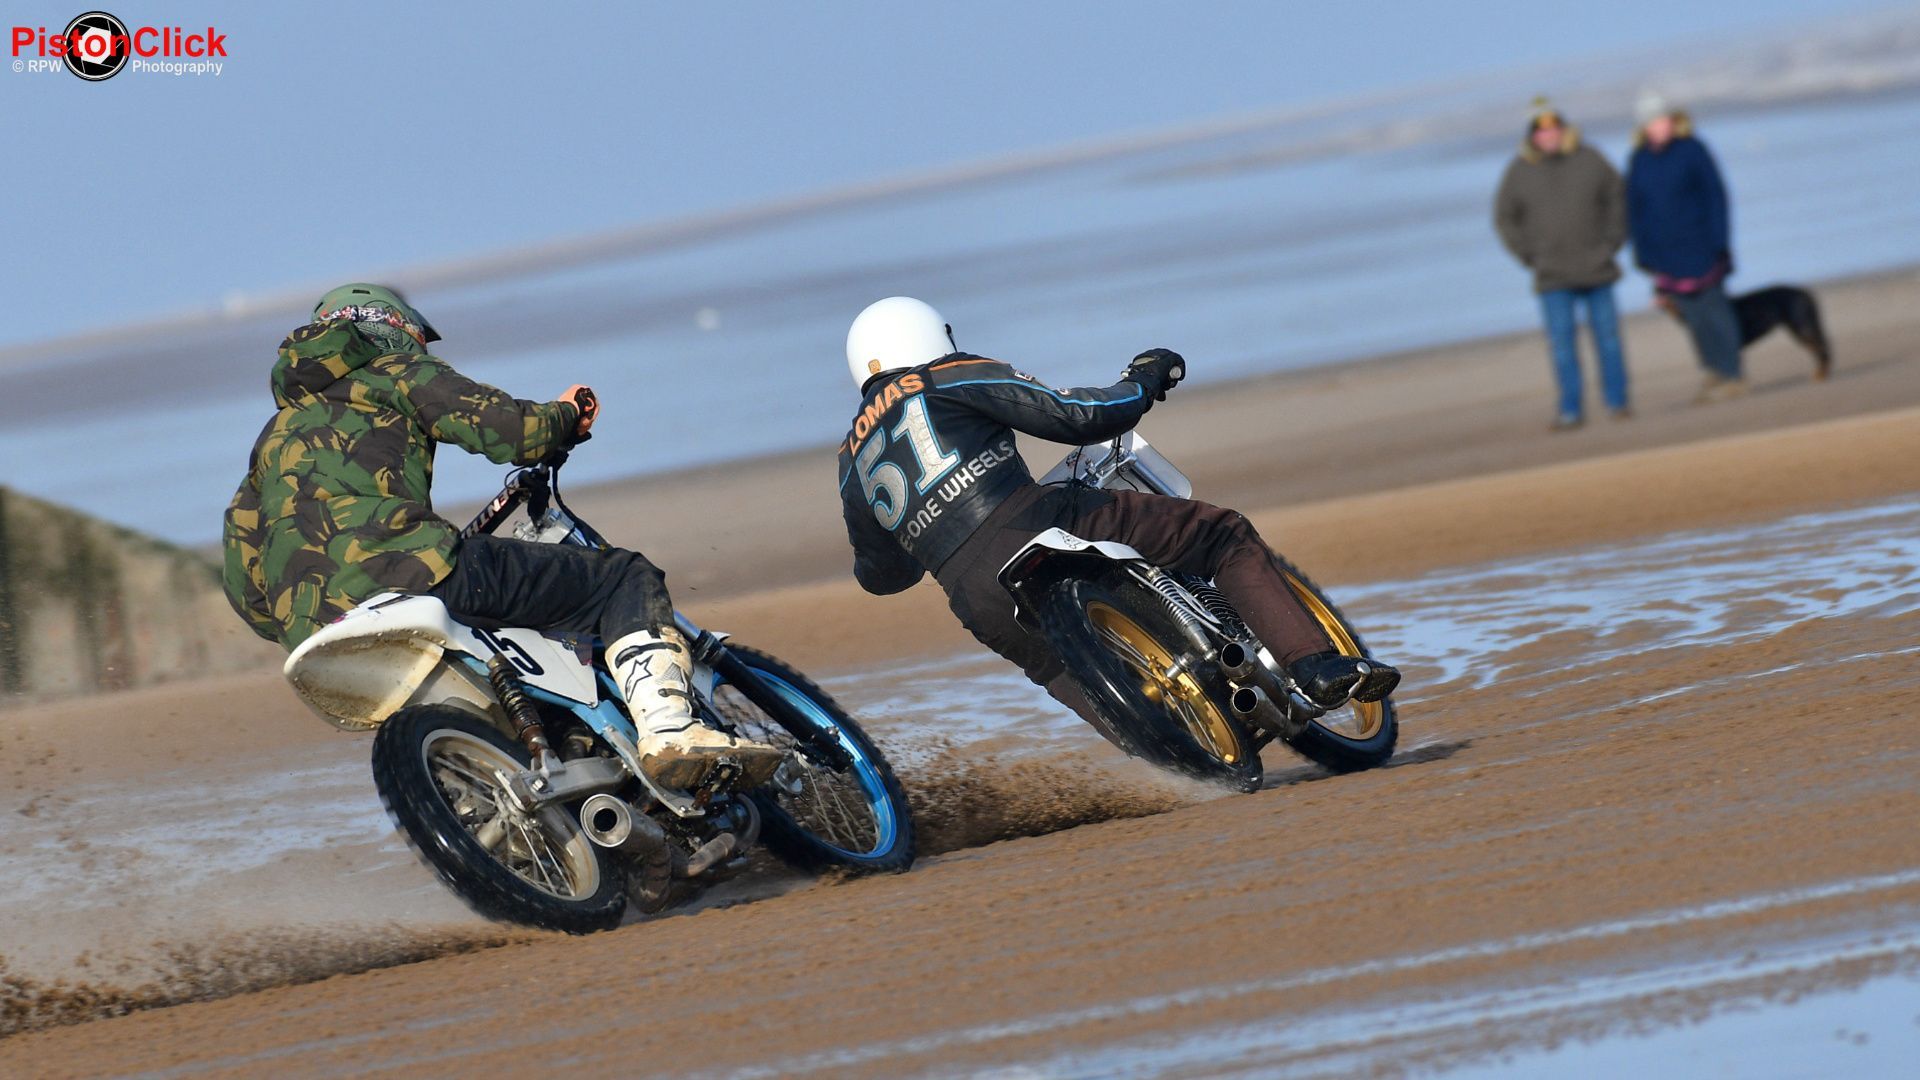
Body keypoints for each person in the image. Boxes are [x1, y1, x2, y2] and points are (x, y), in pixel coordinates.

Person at [222, 283, 780, 793]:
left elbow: (246, 586)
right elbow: (510, 430)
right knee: (620, 578)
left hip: (315, 635)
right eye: (416, 336)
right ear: (389, 328)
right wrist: (568, 414)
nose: (421, 347)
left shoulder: (270, 442)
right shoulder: (393, 372)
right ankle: (669, 730)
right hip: (410, 571)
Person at [833, 296, 1400, 741]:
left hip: (974, 598)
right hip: (1035, 521)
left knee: (1057, 670)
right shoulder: (950, 376)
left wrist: (923, 532)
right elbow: (1080, 417)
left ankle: (1172, 768)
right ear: (933, 336)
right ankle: (1315, 666)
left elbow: (881, 576)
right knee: (1223, 536)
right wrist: (1144, 380)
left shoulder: (849, 460)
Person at [1494, 97, 1631, 430]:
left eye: (1555, 130)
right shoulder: (1519, 170)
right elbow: (1504, 218)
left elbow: (1618, 199)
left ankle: (1618, 403)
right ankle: (1570, 410)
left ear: (1564, 130)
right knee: (1561, 346)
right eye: (1542, 132)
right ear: (1533, 137)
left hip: (1597, 268)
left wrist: (1612, 242)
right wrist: (1529, 255)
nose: (1549, 137)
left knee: (1609, 340)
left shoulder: (1591, 159)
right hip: (1552, 276)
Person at [1627, 91, 1744, 402]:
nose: (1659, 126)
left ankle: (1733, 374)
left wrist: (1720, 241)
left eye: (1663, 119)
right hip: (1666, 255)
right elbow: (1635, 211)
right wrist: (1642, 254)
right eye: (1652, 121)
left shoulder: (1693, 150)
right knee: (1692, 318)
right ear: (1643, 127)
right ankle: (1711, 373)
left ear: (1673, 120)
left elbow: (1716, 196)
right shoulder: (1638, 160)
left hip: (1703, 246)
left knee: (1716, 311)